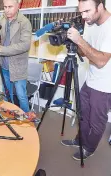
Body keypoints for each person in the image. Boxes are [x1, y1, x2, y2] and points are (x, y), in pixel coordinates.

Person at [61, 0, 111, 160]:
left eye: (87, 11)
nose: (84, 16)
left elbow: (101, 61)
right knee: (82, 114)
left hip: (105, 85)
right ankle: (80, 140)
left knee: (96, 121)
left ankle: (89, 148)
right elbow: (85, 52)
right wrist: (73, 43)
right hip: (90, 80)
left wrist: (79, 40)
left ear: (101, 7)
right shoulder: (90, 23)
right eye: (81, 12)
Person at [0, 0, 32, 113]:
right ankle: (11, 116)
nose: (7, 10)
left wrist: (2, 49)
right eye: (5, 7)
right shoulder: (1, 19)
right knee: (7, 94)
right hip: (3, 64)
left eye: (10, 7)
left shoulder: (24, 22)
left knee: (21, 96)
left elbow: (25, 45)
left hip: (17, 66)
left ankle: (27, 121)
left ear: (18, 6)